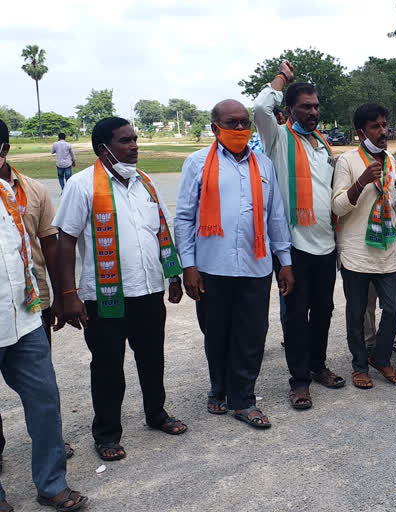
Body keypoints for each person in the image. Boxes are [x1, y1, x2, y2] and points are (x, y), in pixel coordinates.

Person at [54, 117, 187, 462]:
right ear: (104, 149)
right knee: (108, 367)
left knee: (151, 358)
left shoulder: (145, 183)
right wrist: (68, 294)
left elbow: (162, 230)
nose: (134, 146)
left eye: (135, 139)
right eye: (125, 141)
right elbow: (66, 241)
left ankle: (156, 414)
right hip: (105, 297)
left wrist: (174, 277)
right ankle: (107, 434)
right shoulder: (82, 186)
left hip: (147, 291)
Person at [175, 99, 294, 427]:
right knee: (216, 333)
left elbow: (276, 217)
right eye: (232, 124)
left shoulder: (263, 165)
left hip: (256, 267)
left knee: (253, 333)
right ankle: (219, 388)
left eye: (245, 123)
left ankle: (243, 399)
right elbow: (185, 217)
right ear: (215, 128)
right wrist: (188, 266)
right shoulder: (197, 163)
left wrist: (285, 262)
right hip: (212, 267)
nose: (241, 129)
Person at [254, 60, 345, 409]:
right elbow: (261, 107)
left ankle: (318, 365)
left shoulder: (322, 143)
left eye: (316, 105)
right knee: (295, 314)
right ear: (289, 109)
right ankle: (299, 380)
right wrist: (282, 78)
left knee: (324, 309)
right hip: (293, 246)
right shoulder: (277, 137)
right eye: (305, 106)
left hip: (325, 242)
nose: (313, 111)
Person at [0, 163, 88, 512]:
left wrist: (57, 297)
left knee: (45, 401)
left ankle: (52, 484)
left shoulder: (13, 193)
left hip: (24, 319)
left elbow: (40, 248)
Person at [0, 121, 74, 466]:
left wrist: (62, 294)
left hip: (32, 306)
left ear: (4, 151)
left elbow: (51, 243)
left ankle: (52, 456)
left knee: (42, 388)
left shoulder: (31, 190)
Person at [331, 103, 396, 389]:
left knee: (395, 309)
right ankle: (359, 365)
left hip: (387, 249)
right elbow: (337, 207)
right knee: (358, 313)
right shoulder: (348, 161)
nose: (383, 131)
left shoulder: (391, 161)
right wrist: (360, 182)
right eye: (376, 126)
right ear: (361, 132)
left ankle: (381, 358)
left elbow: (393, 205)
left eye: (385, 125)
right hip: (356, 252)